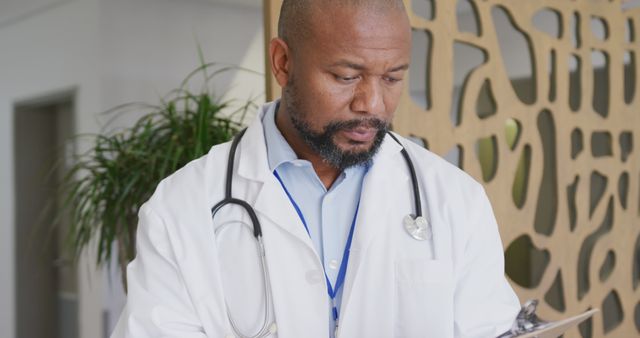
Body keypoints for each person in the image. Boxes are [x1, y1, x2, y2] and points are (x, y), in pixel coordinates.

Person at [111, 0, 520, 337]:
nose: (372, 104)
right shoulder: (181, 207)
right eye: (346, 76)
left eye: (393, 79)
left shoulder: (455, 199)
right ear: (283, 62)